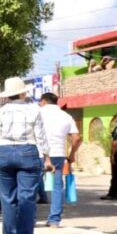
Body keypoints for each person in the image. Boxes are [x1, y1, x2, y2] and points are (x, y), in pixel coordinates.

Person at [0, 77, 52, 234]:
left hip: (4, 152)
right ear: (23, 92)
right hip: (27, 151)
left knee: (7, 196)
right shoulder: (34, 110)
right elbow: (40, 136)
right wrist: (46, 156)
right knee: (26, 196)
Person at [38, 92, 82, 226]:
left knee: (30, 185)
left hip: (38, 153)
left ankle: (29, 219)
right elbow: (76, 138)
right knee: (57, 186)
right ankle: (54, 220)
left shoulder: (37, 113)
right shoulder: (66, 116)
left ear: (43, 101)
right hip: (58, 154)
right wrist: (72, 154)